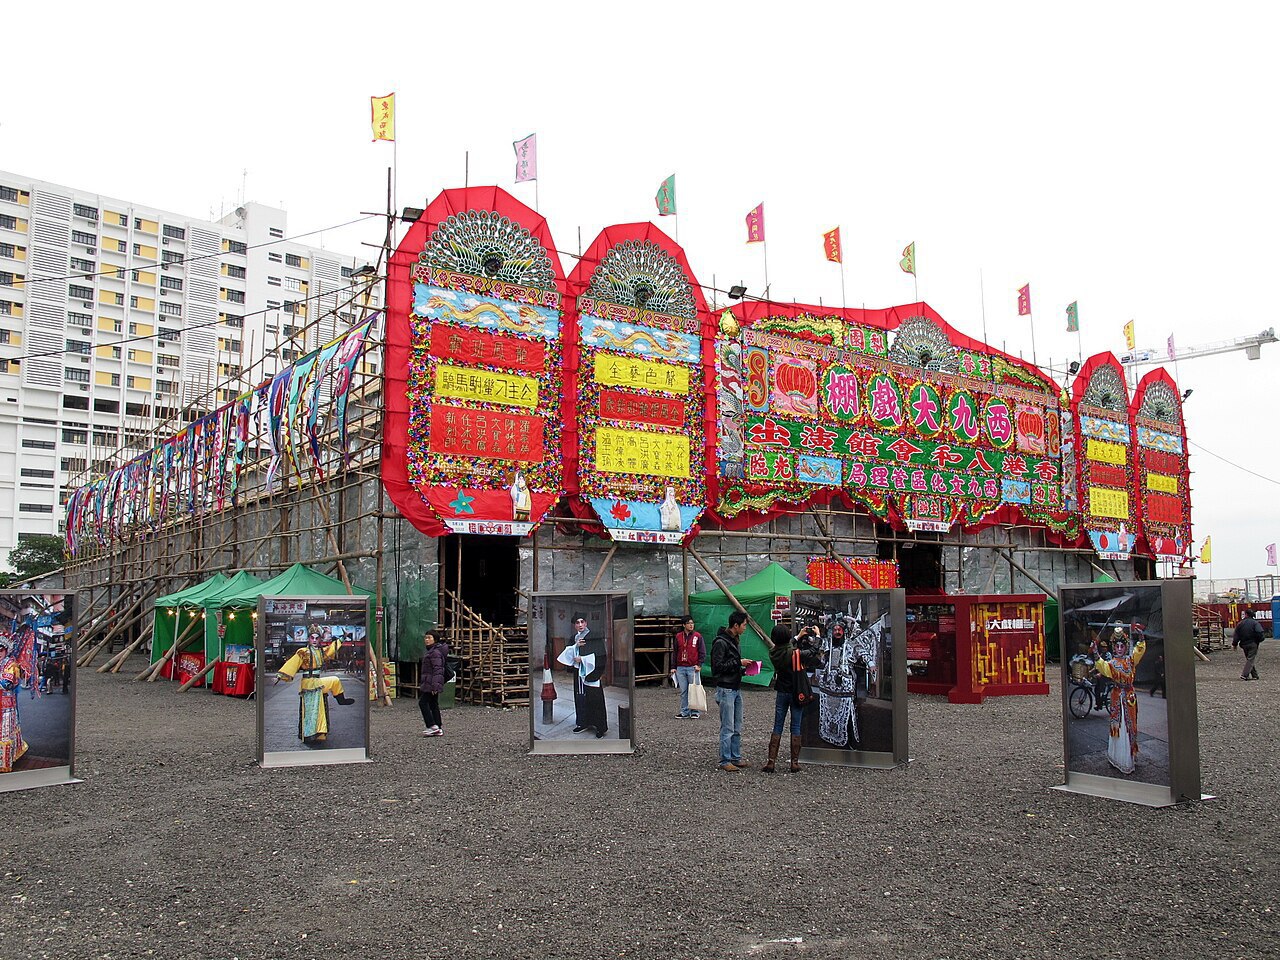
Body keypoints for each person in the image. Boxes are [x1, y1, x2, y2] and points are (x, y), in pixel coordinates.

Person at [275, 631, 356, 746]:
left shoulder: (321, 651)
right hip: (308, 683)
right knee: (313, 708)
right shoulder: (304, 652)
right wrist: (282, 674)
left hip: (317, 681)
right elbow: (293, 662)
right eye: (312, 638)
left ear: (320, 640)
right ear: (309, 639)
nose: (314, 640)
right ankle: (311, 733)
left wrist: (343, 638)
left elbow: (332, 648)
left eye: (316, 638)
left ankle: (340, 701)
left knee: (334, 681)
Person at [764, 624, 823, 773]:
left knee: (778, 725)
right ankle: (794, 762)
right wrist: (817, 637)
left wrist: (798, 636)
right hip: (796, 692)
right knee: (795, 725)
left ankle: (771, 761)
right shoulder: (795, 654)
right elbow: (812, 651)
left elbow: (786, 648)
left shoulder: (774, 652)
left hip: (781, 691)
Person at [1090, 626, 1147, 774]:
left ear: (1126, 646)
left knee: (1131, 726)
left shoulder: (1130, 660)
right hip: (1117, 695)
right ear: (1114, 648)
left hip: (1129, 697)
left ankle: (1129, 757)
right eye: (1117, 646)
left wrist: (1141, 639)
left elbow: (1139, 651)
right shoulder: (1112, 663)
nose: (1120, 648)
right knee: (1118, 727)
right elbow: (1102, 667)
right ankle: (1118, 758)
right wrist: (1095, 653)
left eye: (1122, 646)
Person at [711, 611, 753, 772]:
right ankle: (725, 759)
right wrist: (738, 662)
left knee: (737, 725)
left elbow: (728, 666)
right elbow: (717, 667)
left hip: (735, 687)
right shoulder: (721, 643)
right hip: (726, 689)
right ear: (735, 625)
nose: (745, 628)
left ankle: (735, 756)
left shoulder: (734, 640)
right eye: (743, 625)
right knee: (728, 726)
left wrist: (743, 670)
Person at [568, 616, 609, 738]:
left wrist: (583, 659)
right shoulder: (573, 638)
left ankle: (600, 727)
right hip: (578, 674)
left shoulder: (594, 636)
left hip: (591, 673)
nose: (580, 625)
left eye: (582, 622)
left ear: (586, 623)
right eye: (577, 622)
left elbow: (601, 655)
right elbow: (568, 654)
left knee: (595, 699)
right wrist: (576, 646)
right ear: (574, 625)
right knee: (580, 698)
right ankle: (582, 723)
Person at [0, 637, 29, 773]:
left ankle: (5, 762)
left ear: (6, 650)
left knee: (5, 733)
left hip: (6, 705)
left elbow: (7, 684)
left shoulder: (11, 664)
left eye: (1, 650)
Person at [671, 615, 705, 719]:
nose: (691, 625)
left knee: (694, 689)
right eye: (689, 623)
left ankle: (695, 711)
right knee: (684, 690)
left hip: (693, 667)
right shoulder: (678, 636)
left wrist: (699, 664)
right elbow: (675, 652)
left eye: (692, 623)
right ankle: (684, 711)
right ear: (684, 625)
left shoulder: (697, 636)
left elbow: (702, 651)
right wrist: (673, 667)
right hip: (681, 667)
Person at [418, 630, 449, 738]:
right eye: (426, 638)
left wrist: (435, 685)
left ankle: (432, 725)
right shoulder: (433, 651)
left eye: (429, 638)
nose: (426, 640)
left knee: (423, 702)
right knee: (433, 704)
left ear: (435, 639)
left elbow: (438, 670)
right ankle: (438, 727)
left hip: (431, 683)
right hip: (430, 682)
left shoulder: (435, 652)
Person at [1233, 609, 1266, 681]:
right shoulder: (1255, 623)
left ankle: (1255, 675)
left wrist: (1235, 644)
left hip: (1244, 644)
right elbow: (1260, 633)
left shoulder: (1240, 624)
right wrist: (1259, 640)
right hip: (1253, 643)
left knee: (1249, 659)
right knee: (1250, 659)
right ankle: (1245, 675)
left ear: (1246, 614)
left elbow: (1236, 635)